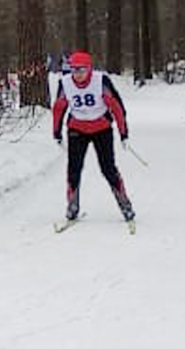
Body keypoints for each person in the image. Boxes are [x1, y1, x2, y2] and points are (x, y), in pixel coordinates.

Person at [51, 51, 133, 224]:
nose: (77, 74)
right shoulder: (65, 83)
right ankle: (72, 206)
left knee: (108, 168)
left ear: (89, 69)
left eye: (81, 70)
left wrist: (123, 132)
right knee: (74, 168)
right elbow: (59, 108)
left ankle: (125, 205)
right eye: (73, 70)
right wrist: (56, 132)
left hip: (101, 128)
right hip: (77, 129)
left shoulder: (100, 81)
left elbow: (116, 106)